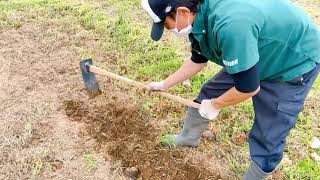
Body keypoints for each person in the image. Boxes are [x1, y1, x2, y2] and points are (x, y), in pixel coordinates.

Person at [141, 0, 320, 179]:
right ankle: (188, 137)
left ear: (183, 12)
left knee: (270, 129)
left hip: (292, 59)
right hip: (255, 46)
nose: (166, 29)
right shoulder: (202, 16)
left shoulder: (230, 27)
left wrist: (215, 105)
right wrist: (164, 84)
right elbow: (198, 59)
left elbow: (248, 88)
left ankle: (256, 174)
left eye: (166, 24)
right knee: (210, 92)